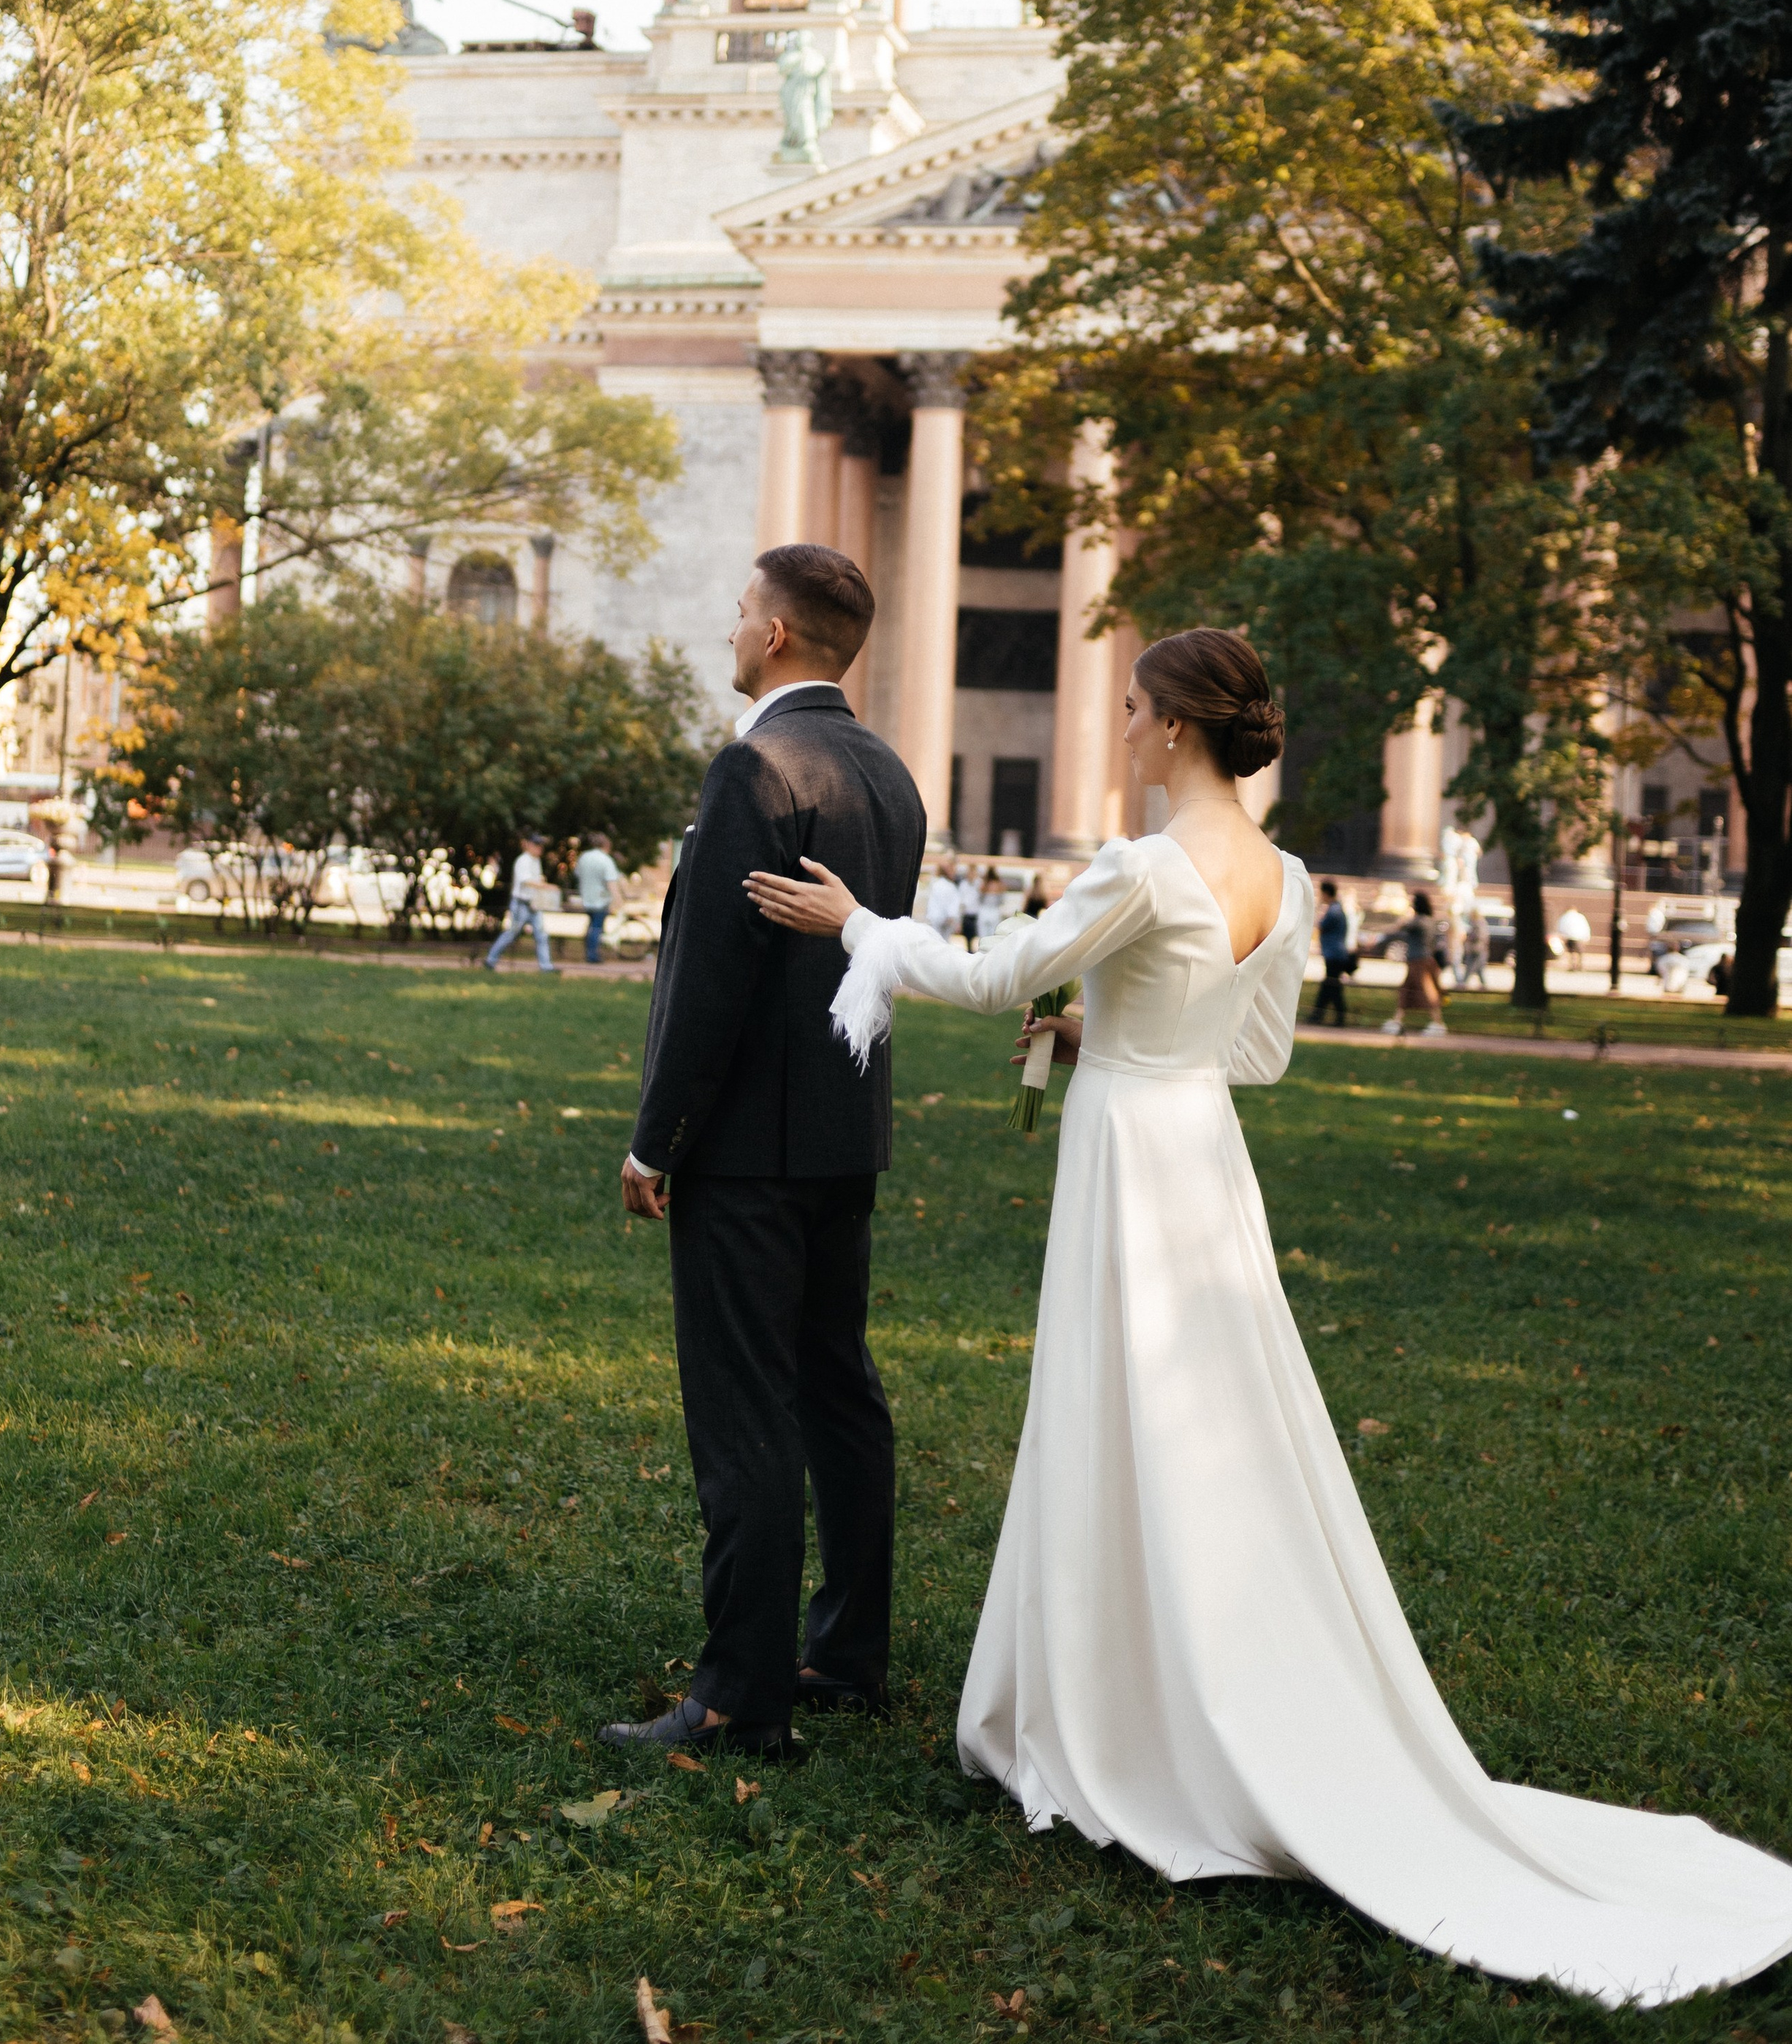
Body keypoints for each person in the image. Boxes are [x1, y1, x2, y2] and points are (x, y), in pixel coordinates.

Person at [745, 626, 1792, 2010]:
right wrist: (1104, 1033)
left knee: (1112, 1404)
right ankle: (1178, 1670)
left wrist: (861, 930)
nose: (1117, 728)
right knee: (1208, 1415)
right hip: (1201, 1150)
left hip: (1131, 1155)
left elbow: (998, 970)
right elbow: (1259, 1052)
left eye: (1129, 709)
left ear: (1175, 728)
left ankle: (1128, 1713)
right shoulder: (1286, 877)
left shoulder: (1142, 864)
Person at [601, 544, 925, 1762]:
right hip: (846, 1133)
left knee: (745, 1411)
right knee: (840, 1391)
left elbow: (712, 985)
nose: (731, 628)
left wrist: (656, 1138)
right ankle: (845, 1650)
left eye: (741, 612)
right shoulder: (891, 775)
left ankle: (737, 1699)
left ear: (778, 637)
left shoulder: (756, 764)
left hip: (744, 1148)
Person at [483, 831, 557, 975]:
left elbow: (535, 880)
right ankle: (491, 960)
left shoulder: (536, 861)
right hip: (521, 903)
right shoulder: (523, 860)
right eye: (537, 845)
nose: (540, 848)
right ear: (528, 845)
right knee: (512, 933)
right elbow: (527, 881)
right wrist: (545, 887)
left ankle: (546, 966)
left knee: (541, 935)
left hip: (533, 904)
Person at [1382, 889, 1449, 1039]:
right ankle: (1397, 1020)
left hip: (1418, 962)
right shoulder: (1430, 921)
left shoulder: (1418, 922)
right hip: (1423, 960)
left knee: (1426, 993)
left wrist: (1406, 914)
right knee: (1407, 991)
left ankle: (1438, 1023)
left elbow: (1400, 926)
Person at [573, 832, 620, 965]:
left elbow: (578, 874)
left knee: (591, 926)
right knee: (597, 927)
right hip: (601, 898)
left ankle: (589, 950)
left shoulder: (584, 857)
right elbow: (611, 882)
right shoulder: (606, 860)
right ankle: (592, 955)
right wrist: (618, 900)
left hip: (586, 897)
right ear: (606, 845)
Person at [1310, 875, 1350, 1025]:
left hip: (1334, 953)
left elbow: (1320, 926)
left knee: (1332, 986)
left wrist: (1319, 908)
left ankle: (1334, 1016)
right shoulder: (1338, 909)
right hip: (1335, 953)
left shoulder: (1334, 911)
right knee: (1330, 985)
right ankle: (1318, 1014)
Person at [925, 855, 962, 940]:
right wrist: (952, 916)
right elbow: (950, 903)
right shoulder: (950, 886)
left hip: (935, 917)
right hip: (944, 918)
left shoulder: (935, 884)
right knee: (943, 941)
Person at [977, 866, 1008, 944]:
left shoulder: (984, 884)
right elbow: (1002, 901)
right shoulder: (999, 885)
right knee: (993, 936)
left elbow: (979, 898)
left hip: (985, 911)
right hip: (994, 911)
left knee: (983, 936)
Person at [958, 863, 983, 950]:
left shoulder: (979, 884)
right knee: (968, 936)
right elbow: (961, 901)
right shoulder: (963, 885)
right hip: (967, 913)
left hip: (977, 913)